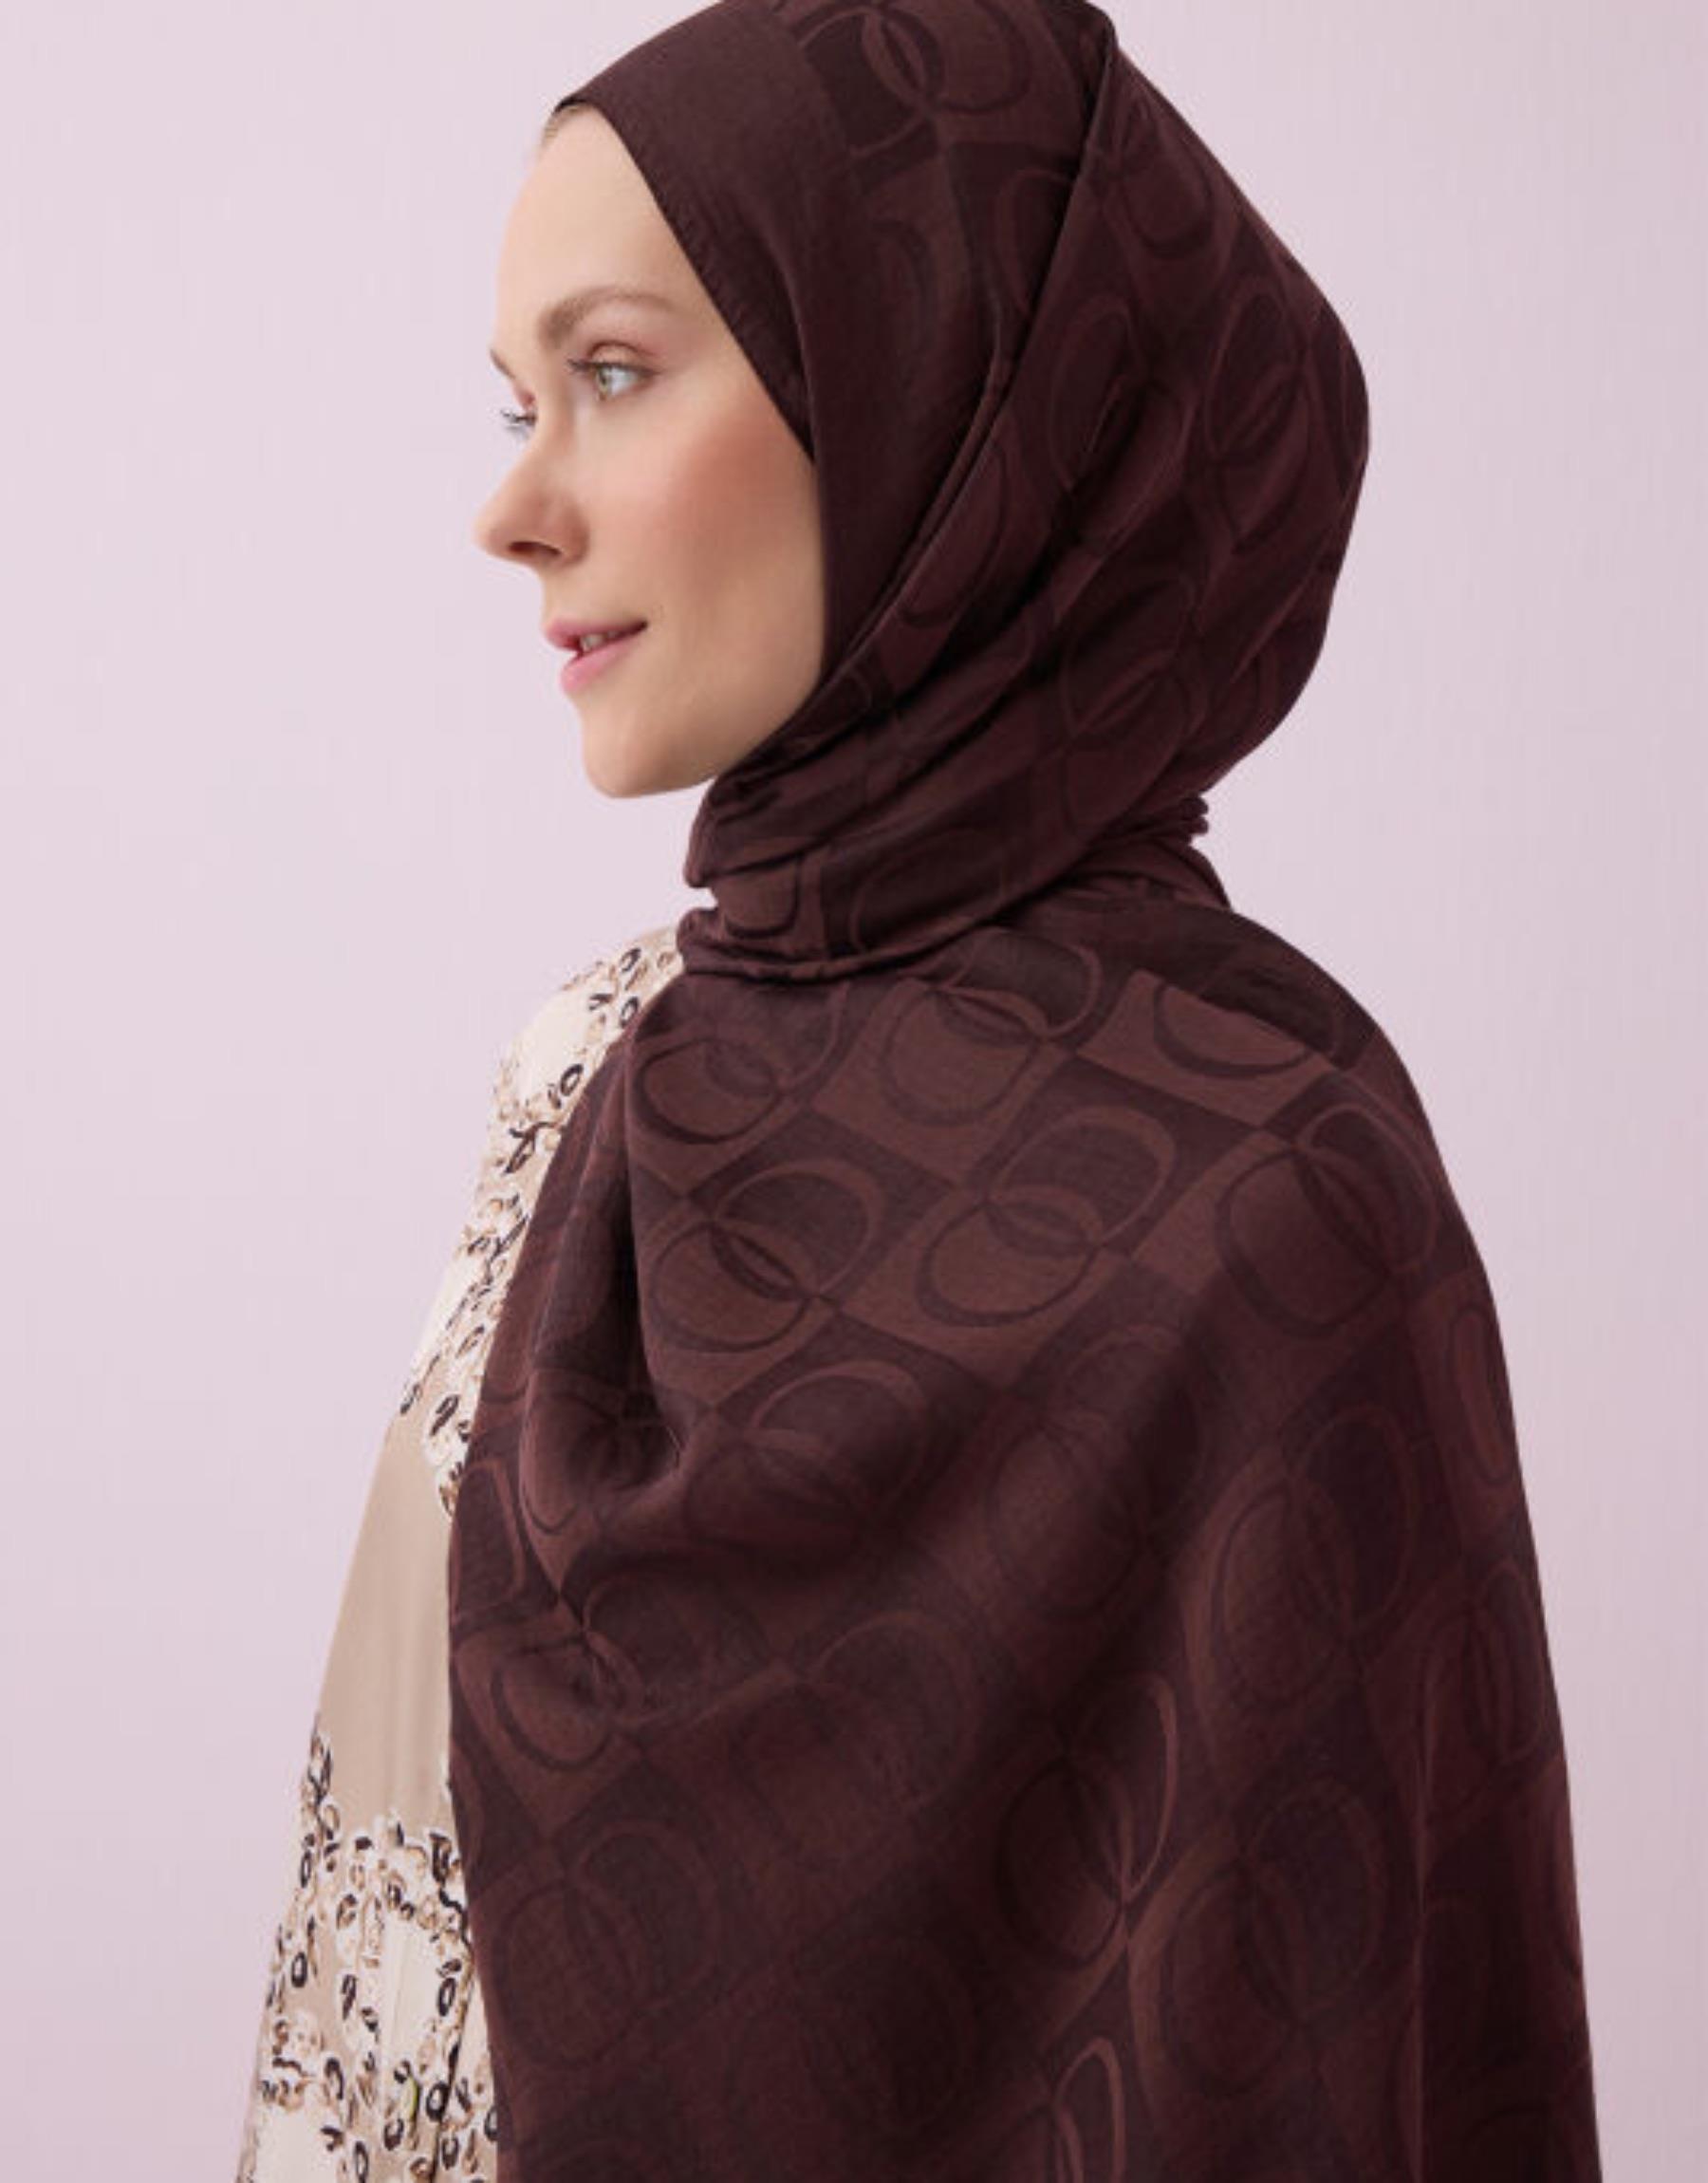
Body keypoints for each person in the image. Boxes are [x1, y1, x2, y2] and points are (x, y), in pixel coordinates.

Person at [236, 3, 1604, 2178]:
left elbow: (1344, 2068)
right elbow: (379, 1976)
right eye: (516, 402)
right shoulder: (577, 1085)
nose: (512, 511)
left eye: (614, 373)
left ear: (938, 394)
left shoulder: (1279, 1193)